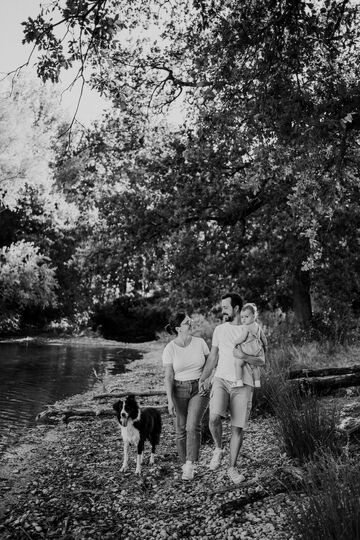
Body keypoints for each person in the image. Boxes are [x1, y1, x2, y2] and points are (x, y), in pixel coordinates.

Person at [199, 293, 265, 484]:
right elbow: (213, 357)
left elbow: (261, 360)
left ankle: (232, 468)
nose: (223, 311)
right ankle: (218, 448)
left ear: (236, 309)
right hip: (221, 379)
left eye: (226, 307)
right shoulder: (219, 330)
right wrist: (203, 379)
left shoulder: (253, 330)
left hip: (244, 384)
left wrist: (243, 357)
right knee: (213, 418)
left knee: (237, 427)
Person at [162, 312, 210, 481]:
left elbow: (211, 363)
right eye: (187, 322)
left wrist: (208, 379)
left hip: (199, 388)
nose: (191, 324)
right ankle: (184, 463)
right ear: (178, 328)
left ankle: (190, 464)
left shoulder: (200, 343)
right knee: (180, 429)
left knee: (192, 426)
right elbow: (168, 376)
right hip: (178, 390)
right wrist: (169, 400)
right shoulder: (170, 348)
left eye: (190, 321)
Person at [233, 303, 267, 388]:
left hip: (246, 350)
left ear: (254, 316)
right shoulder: (258, 326)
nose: (243, 320)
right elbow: (263, 337)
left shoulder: (246, 327)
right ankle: (257, 382)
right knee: (255, 366)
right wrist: (265, 345)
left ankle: (239, 381)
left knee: (238, 363)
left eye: (246, 317)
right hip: (256, 350)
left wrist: (236, 342)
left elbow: (242, 338)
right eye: (242, 317)